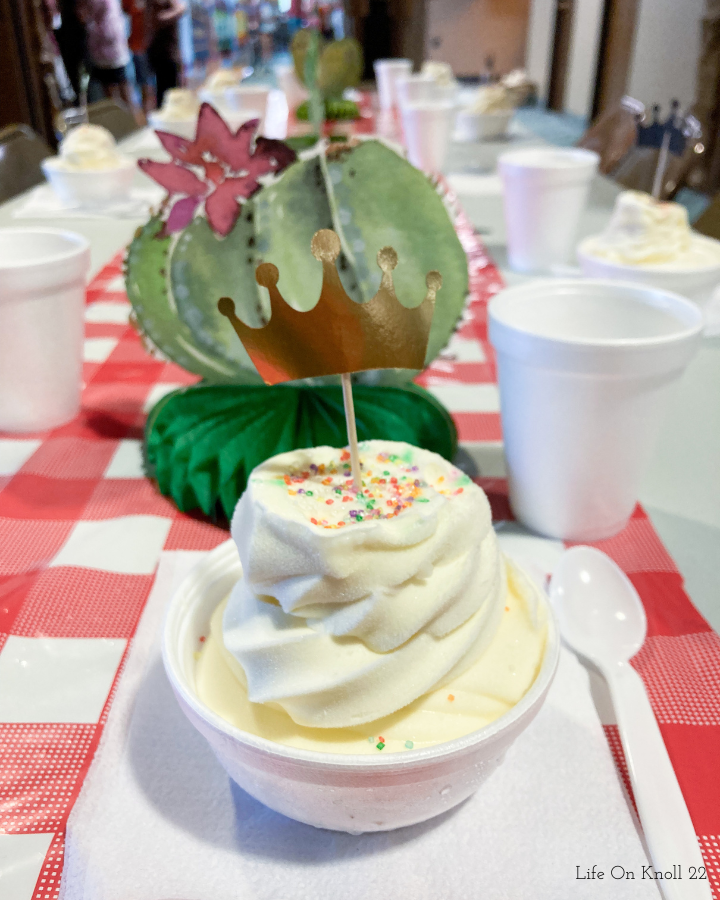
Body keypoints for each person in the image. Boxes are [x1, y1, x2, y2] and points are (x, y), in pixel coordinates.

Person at [77, 0, 139, 113]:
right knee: (116, 95)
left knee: (121, 93)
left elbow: (83, 14)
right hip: (105, 47)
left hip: (111, 46)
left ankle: (129, 123)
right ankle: (123, 124)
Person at [147, 0, 187, 108]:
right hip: (155, 51)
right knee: (160, 95)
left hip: (169, 53)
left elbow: (181, 8)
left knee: (174, 94)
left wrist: (162, 18)